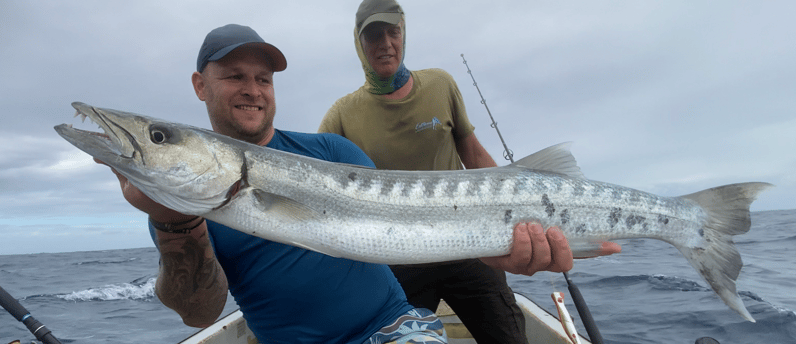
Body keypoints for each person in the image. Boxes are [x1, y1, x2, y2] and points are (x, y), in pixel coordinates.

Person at [99, 24, 598, 343]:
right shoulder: (178, 206)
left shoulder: (333, 152)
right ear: (199, 85)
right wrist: (177, 225)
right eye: (234, 76)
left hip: (397, 329)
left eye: (264, 79)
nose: (252, 88)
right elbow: (198, 313)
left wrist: (489, 247)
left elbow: (401, 229)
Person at [318, 1, 621, 343]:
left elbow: (475, 155)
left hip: (470, 249)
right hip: (397, 263)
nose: (385, 43)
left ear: (404, 34)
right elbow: (319, 186)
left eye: (393, 32)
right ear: (358, 42)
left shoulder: (440, 85)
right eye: (374, 34)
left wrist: (523, 217)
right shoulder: (340, 115)